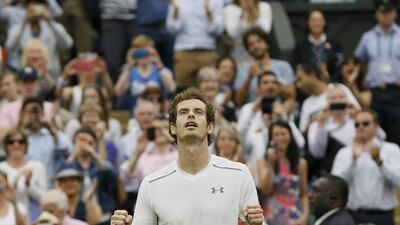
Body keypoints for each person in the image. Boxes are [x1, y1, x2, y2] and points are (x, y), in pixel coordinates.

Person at [111, 87, 264, 225]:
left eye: (198, 112)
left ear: (210, 126)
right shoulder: (151, 184)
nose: (191, 115)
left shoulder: (239, 174)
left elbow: (257, 222)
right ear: (173, 127)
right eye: (183, 112)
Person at [331, 110, 400, 225]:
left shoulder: (391, 149)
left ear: (376, 126)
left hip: (383, 217)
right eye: (357, 124)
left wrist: (380, 163)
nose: (361, 127)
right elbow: (335, 186)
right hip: (353, 216)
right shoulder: (344, 153)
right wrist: (352, 162)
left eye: (366, 123)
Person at [353, 0, 400, 146]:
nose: (386, 16)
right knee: (375, 130)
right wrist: (360, 80)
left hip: (397, 90)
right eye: (382, 12)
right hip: (374, 91)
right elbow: (358, 61)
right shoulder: (368, 37)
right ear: (376, 14)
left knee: (397, 131)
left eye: (389, 12)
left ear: (395, 13)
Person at [119, 115, 177, 213]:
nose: (159, 132)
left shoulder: (178, 154)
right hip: (148, 206)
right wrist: (137, 153)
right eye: (155, 129)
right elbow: (126, 177)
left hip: (174, 204)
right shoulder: (144, 156)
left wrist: (172, 139)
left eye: (164, 128)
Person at [257, 120, 308, 225]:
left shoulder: (301, 163)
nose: (280, 138)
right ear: (271, 138)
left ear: (290, 136)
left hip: (295, 217)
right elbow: (265, 190)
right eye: (276, 135)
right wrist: (271, 164)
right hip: (271, 217)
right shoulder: (262, 161)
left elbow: (304, 194)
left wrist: (305, 216)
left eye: (283, 134)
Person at [166, 0, 224, 91]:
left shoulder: (215, 1)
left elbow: (218, 30)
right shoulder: (178, 1)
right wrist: (176, 9)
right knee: (182, 93)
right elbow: (172, 28)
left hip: (207, 52)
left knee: (209, 92)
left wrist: (208, 11)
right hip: (184, 52)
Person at [5, 0, 73, 74]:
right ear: (26, 8)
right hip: (26, 75)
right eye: (33, 7)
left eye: (39, 7)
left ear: (46, 8)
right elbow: (9, 47)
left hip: (51, 73)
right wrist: (24, 22)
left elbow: (67, 44)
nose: (36, 11)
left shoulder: (54, 27)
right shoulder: (18, 28)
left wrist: (50, 21)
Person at [235, 27, 296, 107]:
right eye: (251, 44)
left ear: (267, 44)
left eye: (259, 41)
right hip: (253, 115)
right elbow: (238, 101)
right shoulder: (243, 70)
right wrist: (249, 78)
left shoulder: (284, 66)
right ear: (248, 50)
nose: (256, 46)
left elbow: (292, 95)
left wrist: (272, 83)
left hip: (278, 113)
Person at [0, 128, 47, 222]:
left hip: (35, 218)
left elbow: (44, 199)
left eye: (21, 141)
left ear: (26, 145)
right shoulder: (1, 168)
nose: (16, 145)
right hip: (10, 219)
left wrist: (29, 185)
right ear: (6, 146)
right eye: (11, 142)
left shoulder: (37, 166)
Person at [296, 63, 360, 132]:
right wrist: (313, 123)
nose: (298, 85)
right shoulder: (306, 103)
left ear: (312, 75)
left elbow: (358, 113)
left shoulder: (338, 88)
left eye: (300, 79)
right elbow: (303, 133)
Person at [114, 47, 176, 113]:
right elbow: (118, 92)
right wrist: (129, 65)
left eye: (146, 55)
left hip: (156, 112)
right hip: (137, 112)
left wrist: (158, 62)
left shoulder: (159, 71)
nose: (143, 58)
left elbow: (172, 88)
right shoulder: (131, 72)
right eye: (139, 56)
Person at [294, 10, 342, 77]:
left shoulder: (334, 43)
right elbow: (297, 66)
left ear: (325, 22)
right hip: (307, 82)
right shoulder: (301, 45)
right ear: (307, 22)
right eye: (313, 20)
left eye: (320, 20)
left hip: (331, 82)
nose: (317, 23)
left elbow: (339, 64)